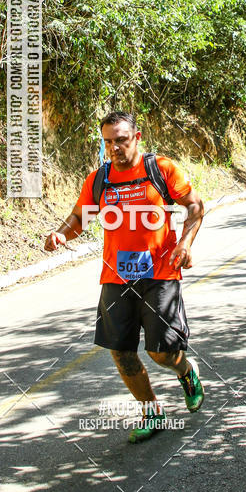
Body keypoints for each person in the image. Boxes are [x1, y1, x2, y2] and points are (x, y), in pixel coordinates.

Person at [44, 111, 205, 442]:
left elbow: (195, 207)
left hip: (161, 274)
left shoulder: (160, 169)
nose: (114, 148)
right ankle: (152, 411)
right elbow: (79, 217)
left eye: (121, 140)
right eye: (108, 142)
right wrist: (61, 234)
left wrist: (186, 244)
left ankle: (186, 373)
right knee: (121, 351)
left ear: (137, 137)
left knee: (161, 352)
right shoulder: (99, 179)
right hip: (116, 278)